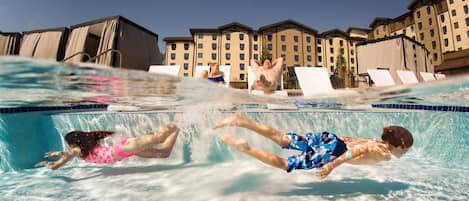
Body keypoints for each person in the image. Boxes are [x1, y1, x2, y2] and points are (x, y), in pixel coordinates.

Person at [213, 112, 413, 179]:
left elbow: (352, 140)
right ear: (401, 144)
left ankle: (242, 120)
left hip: (331, 139)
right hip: (335, 151)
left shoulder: (376, 141)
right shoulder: (384, 152)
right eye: (407, 148)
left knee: (283, 139)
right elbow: (355, 151)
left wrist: (335, 143)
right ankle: (245, 148)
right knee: (285, 164)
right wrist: (331, 166)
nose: (406, 152)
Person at [37, 124, 180, 170]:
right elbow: (67, 154)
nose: (69, 147)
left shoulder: (77, 151)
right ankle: (178, 128)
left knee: (160, 138)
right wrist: (58, 154)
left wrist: (53, 165)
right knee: (164, 152)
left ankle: (178, 121)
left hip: (124, 149)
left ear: (74, 143)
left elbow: (66, 157)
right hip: (126, 151)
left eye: (69, 144)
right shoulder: (82, 150)